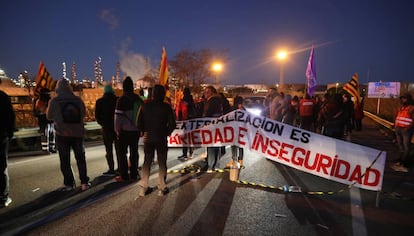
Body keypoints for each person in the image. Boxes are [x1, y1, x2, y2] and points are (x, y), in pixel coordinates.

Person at [46, 78, 90, 191]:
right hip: (78, 134)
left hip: (62, 134)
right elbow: (83, 114)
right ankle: (84, 182)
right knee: (80, 158)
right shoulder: (78, 100)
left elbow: (49, 116)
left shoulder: (55, 101)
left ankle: (69, 184)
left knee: (65, 160)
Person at [137, 85, 176, 197]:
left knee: (147, 161)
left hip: (148, 138)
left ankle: (143, 187)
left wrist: (145, 131)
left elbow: (138, 123)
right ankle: (162, 186)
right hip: (161, 137)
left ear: (152, 93)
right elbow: (172, 124)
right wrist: (165, 132)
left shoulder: (144, 106)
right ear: (163, 94)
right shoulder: (166, 107)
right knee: (162, 161)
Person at [114, 76, 143, 181]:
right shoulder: (138, 99)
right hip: (136, 131)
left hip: (124, 132)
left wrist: (117, 131)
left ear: (124, 88)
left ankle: (124, 175)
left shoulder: (121, 100)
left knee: (122, 154)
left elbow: (118, 118)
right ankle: (134, 174)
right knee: (134, 152)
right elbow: (142, 116)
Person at [95, 85, 118, 176]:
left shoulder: (100, 102)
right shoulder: (117, 100)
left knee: (109, 150)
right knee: (119, 149)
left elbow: (97, 116)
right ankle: (120, 168)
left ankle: (111, 168)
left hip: (106, 129)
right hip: (117, 128)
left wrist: (103, 124)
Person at [0, 79, 15, 207]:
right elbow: (10, 116)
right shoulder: (3, 97)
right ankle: (3, 197)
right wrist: (10, 132)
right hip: (1, 135)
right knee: (1, 166)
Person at [391, 93, 414, 172]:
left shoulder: (412, 108)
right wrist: (395, 125)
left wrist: (408, 127)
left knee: (406, 146)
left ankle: (404, 163)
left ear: (409, 99)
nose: (403, 100)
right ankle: (400, 160)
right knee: (400, 146)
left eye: (405, 98)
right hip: (398, 128)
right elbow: (398, 116)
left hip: (406, 130)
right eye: (402, 98)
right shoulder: (401, 107)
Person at [203, 86, 223, 172]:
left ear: (211, 92)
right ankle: (217, 165)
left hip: (211, 126)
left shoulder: (212, 101)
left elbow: (207, 113)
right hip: (218, 126)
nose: (205, 94)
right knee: (217, 145)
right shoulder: (219, 101)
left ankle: (211, 165)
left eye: (207, 92)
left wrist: (203, 120)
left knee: (210, 145)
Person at [176, 87, 196, 160]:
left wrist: (179, 121)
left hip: (185, 121)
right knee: (190, 137)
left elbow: (180, 112)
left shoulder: (182, 101)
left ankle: (185, 154)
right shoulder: (192, 100)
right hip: (192, 122)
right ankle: (191, 152)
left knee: (185, 138)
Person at [34, 88, 55, 152]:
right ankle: (46, 148)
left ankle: (49, 148)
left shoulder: (40, 101)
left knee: (49, 134)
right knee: (46, 134)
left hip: (46, 120)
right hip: (45, 120)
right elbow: (38, 111)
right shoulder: (40, 101)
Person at [226, 95, 244, 168]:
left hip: (234, 129)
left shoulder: (233, 109)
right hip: (241, 130)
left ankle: (234, 160)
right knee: (240, 145)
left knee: (234, 145)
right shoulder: (244, 109)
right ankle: (240, 160)